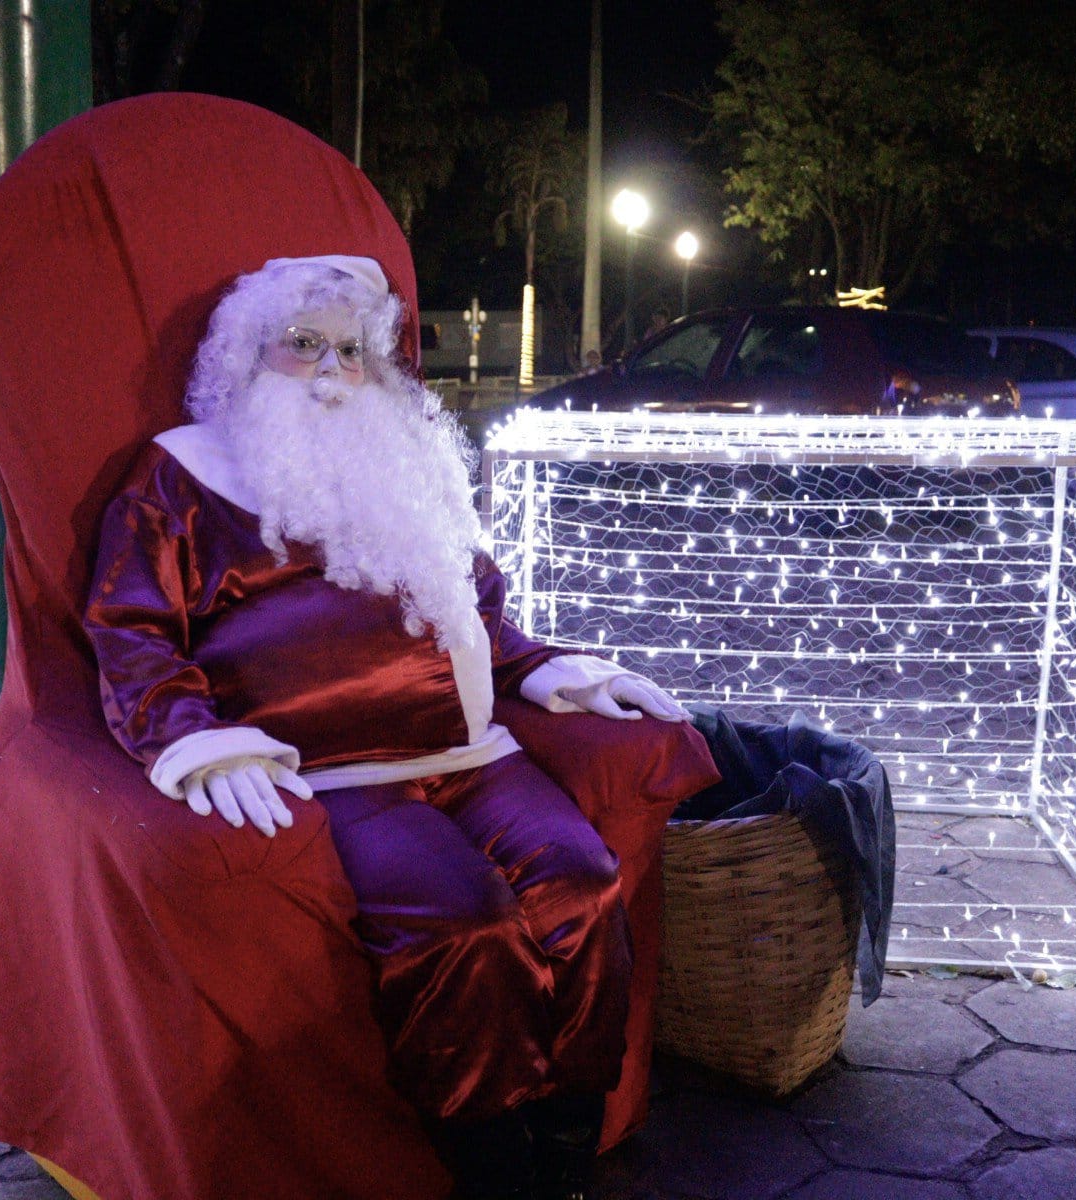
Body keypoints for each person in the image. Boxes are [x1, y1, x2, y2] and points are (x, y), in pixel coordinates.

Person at [83, 256, 692, 1200]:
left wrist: (542, 666)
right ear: (249, 354)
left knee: (584, 887)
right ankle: (496, 1177)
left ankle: (567, 1157)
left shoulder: (400, 458)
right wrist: (193, 737)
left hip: (472, 754)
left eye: (353, 349)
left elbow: (468, 606)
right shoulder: (180, 473)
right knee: (466, 925)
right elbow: (132, 632)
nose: (333, 370)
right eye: (305, 345)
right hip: (332, 771)